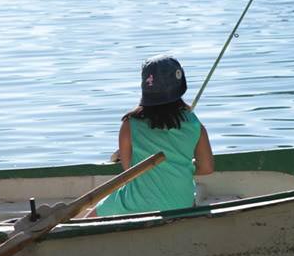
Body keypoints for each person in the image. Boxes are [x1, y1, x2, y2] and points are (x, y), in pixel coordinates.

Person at [91, 54, 214, 217]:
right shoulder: (195, 125)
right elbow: (207, 168)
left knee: (89, 218)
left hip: (138, 203)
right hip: (181, 204)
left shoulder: (129, 125)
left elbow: (129, 172)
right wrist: (179, 166)